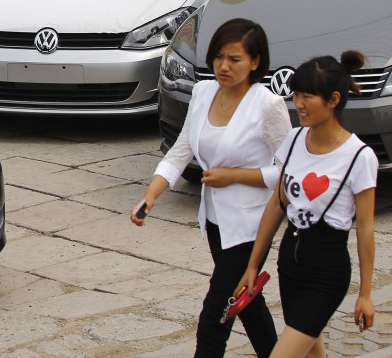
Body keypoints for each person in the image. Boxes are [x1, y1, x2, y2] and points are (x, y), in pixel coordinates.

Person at [132, 18, 291, 357]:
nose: (223, 66)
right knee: (247, 301)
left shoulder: (267, 105)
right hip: (217, 221)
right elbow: (182, 149)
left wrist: (234, 176)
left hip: (252, 226)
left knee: (213, 317)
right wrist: (152, 193)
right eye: (219, 57)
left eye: (235, 59)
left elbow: (289, 171)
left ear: (255, 62)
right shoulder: (204, 92)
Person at [235, 51, 378, 358]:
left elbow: (366, 229)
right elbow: (275, 207)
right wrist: (252, 266)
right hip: (289, 267)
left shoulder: (359, 156)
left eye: (308, 96)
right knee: (313, 354)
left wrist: (365, 294)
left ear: (333, 99)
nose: (298, 103)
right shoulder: (294, 141)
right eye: (296, 94)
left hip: (327, 273)